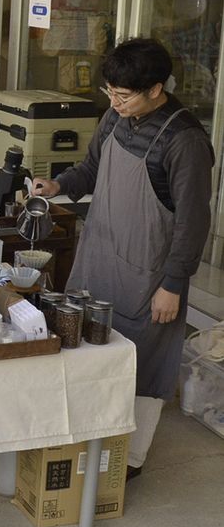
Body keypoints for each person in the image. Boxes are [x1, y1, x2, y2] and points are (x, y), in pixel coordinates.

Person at [32, 38, 214, 479]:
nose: (113, 102)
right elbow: (91, 167)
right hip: (101, 255)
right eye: (108, 92)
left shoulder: (184, 140)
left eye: (123, 95)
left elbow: (193, 222)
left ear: (156, 89)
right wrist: (59, 186)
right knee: (90, 348)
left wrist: (173, 283)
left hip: (150, 276)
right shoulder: (116, 115)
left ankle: (126, 460)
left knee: (144, 364)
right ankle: (88, 434)